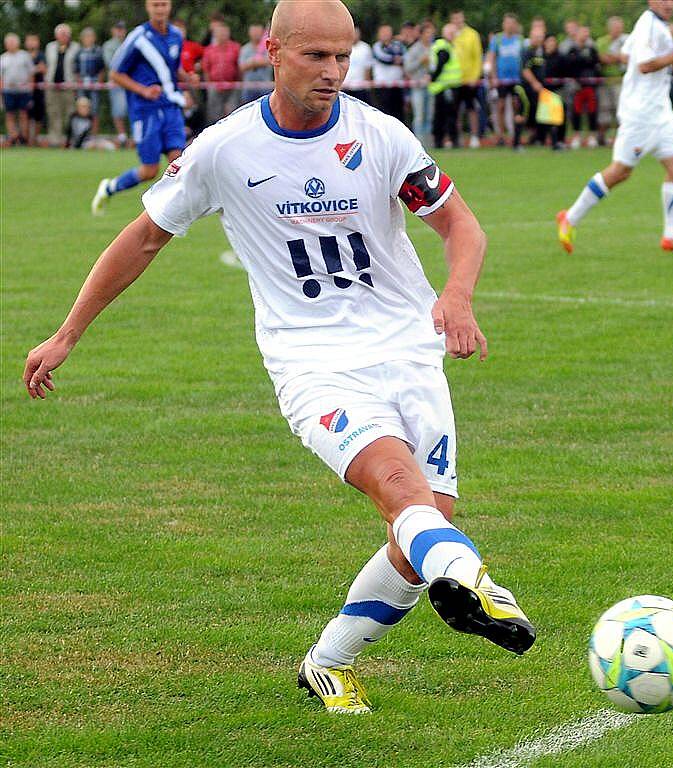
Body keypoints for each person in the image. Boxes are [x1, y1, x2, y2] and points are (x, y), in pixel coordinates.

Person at [24, 0, 536, 716]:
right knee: (399, 488)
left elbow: (459, 224)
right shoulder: (223, 149)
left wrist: (456, 294)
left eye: (342, 56)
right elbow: (142, 238)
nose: (332, 72)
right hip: (312, 362)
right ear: (272, 51)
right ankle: (475, 578)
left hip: (406, 348)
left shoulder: (381, 136)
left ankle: (328, 662)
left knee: (424, 521)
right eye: (315, 57)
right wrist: (68, 333)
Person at [557, 0, 673, 256]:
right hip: (640, 115)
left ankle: (672, 235)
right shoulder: (648, 24)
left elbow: (627, 54)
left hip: (661, 111)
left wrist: (667, 54)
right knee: (621, 172)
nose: (669, 3)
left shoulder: (654, 26)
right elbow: (644, 66)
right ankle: (570, 217)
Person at [91, 0, 187, 216]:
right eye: (156, 5)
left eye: (163, 5)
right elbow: (115, 74)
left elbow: (173, 68)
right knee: (149, 170)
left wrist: (187, 78)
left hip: (171, 107)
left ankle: (171, 215)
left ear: (169, 7)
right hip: (146, 111)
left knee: (179, 164)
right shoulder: (138, 37)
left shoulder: (176, 35)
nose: (160, 9)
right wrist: (143, 90)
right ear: (148, 7)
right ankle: (109, 187)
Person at [488, 13, 524, 147]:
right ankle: (501, 135)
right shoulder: (497, 40)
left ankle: (516, 135)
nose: (509, 26)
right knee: (501, 106)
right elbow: (492, 58)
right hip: (502, 79)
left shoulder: (520, 40)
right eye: (507, 23)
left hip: (516, 79)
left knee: (516, 106)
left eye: (512, 23)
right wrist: (493, 76)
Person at [450, 10, 483, 148]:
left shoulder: (472, 34)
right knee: (455, 110)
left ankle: (474, 136)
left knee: (471, 109)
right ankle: (457, 138)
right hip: (454, 80)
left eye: (459, 18)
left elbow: (477, 57)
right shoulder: (450, 34)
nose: (457, 21)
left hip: (469, 79)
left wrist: (475, 77)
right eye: (455, 18)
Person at [44, 23, 79, 146]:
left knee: (70, 113)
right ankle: (55, 140)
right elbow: (48, 65)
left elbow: (77, 68)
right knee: (54, 113)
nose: (63, 36)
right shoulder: (50, 47)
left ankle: (70, 139)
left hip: (69, 86)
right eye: (61, 34)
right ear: (56, 35)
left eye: (65, 34)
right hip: (52, 86)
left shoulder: (76, 47)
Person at [596, 17, 629, 146]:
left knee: (622, 111)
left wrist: (614, 57)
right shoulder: (602, 41)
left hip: (622, 81)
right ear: (609, 28)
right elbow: (603, 58)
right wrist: (620, 57)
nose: (618, 30)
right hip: (605, 81)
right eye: (615, 27)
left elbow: (630, 58)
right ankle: (601, 138)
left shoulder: (627, 40)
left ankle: (623, 140)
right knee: (604, 110)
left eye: (620, 27)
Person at [429, 23, 462, 148]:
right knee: (448, 116)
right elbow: (440, 65)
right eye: (452, 33)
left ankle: (441, 141)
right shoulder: (444, 47)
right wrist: (432, 78)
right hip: (445, 87)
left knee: (442, 115)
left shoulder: (442, 45)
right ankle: (448, 140)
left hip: (443, 87)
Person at [567, 26, 600, 149]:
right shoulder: (572, 49)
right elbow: (570, 64)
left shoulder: (591, 49)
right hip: (577, 87)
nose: (585, 35)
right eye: (583, 33)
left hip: (590, 86)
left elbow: (595, 64)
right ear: (577, 34)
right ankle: (577, 136)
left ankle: (592, 136)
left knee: (592, 111)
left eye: (587, 33)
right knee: (576, 111)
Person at [202, 22, 240, 124]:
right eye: (220, 33)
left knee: (233, 111)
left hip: (232, 86)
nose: (222, 35)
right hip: (214, 86)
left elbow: (239, 67)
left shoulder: (236, 47)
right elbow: (206, 69)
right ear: (215, 34)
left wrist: (237, 82)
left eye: (224, 32)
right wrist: (209, 86)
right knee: (214, 114)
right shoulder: (209, 50)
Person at [1, 32, 34, 145]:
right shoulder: (3, 58)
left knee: (23, 114)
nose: (10, 44)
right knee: (9, 114)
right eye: (8, 42)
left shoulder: (25, 56)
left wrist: (31, 89)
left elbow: (31, 73)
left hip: (24, 91)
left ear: (17, 43)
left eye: (13, 42)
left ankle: (24, 138)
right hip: (8, 91)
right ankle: (12, 137)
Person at [404, 20, 434, 140]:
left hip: (432, 86)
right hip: (417, 87)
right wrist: (420, 61)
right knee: (419, 116)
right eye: (427, 33)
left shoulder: (434, 47)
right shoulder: (414, 49)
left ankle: (428, 143)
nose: (430, 36)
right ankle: (419, 143)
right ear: (421, 34)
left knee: (429, 116)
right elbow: (408, 68)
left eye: (431, 33)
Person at [102, 21, 129, 148]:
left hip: (130, 81)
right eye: (117, 29)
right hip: (116, 82)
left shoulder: (129, 42)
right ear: (113, 30)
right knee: (118, 109)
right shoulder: (108, 45)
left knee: (132, 108)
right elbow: (110, 63)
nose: (120, 31)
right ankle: (122, 136)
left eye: (122, 29)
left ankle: (135, 137)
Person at [74, 27, 105, 136]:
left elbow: (102, 69)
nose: (88, 39)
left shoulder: (98, 51)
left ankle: (93, 135)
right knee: (81, 110)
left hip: (94, 85)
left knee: (94, 111)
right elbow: (76, 70)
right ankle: (81, 135)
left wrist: (99, 83)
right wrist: (78, 84)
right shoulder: (79, 52)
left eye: (90, 36)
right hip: (82, 86)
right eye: (86, 37)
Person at [372, 24, 406, 122]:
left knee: (398, 112)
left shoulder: (398, 44)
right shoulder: (377, 46)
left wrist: (399, 59)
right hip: (383, 85)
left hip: (397, 84)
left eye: (388, 32)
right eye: (384, 32)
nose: (386, 34)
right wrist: (394, 59)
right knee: (384, 112)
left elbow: (405, 57)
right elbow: (382, 58)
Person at [239, 24, 272, 104]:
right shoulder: (245, 49)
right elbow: (242, 67)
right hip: (249, 87)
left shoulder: (268, 48)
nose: (255, 34)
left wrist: (252, 63)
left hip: (265, 86)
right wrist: (255, 62)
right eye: (253, 32)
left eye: (257, 31)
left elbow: (270, 61)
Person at [24, 33, 46, 146]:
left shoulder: (41, 55)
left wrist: (29, 70)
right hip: (25, 91)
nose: (32, 43)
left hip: (38, 91)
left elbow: (43, 69)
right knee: (26, 116)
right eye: (29, 40)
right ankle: (26, 139)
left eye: (34, 40)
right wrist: (34, 69)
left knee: (38, 115)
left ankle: (35, 139)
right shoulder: (23, 55)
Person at [342, 24, 372, 104]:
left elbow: (368, 67)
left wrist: (367, 84)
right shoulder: (343, 46)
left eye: (357, 33)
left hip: (360, 86)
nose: (355, 35)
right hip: (345, 86)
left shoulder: (365, 48)